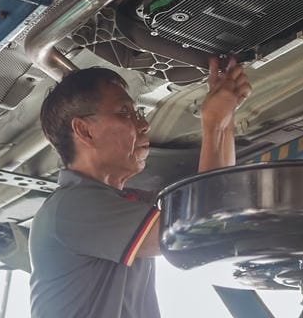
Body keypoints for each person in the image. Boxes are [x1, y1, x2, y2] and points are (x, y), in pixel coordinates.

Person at [29, 57, 251, 318]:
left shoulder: (122, 203)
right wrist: (215, 121)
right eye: (124, 112)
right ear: (84, 131)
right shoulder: (72, 208)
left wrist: (223, 119)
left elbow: (213, 208)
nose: (143, 124)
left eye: (138, 113)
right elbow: (196, 235)